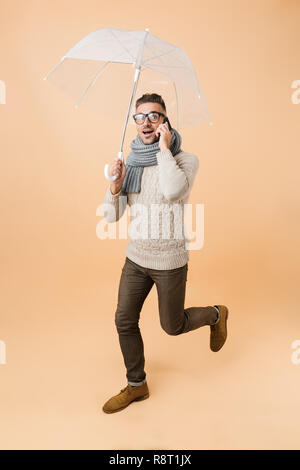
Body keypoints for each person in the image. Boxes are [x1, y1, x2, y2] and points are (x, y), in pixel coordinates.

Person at [101, 93, 229, 414]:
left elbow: (173, 190)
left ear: (165, 122)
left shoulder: (185, 160)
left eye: (154, 116)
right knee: (124, 319)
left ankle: (216, 314)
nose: (146, 122)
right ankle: (136, 384)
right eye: (140, 117)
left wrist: (163, 151)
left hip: (170, 262)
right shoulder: (130, 164)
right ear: (135, 122)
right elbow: (110, 216)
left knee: (172, 326)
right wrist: (115, 186)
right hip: (136, 258)